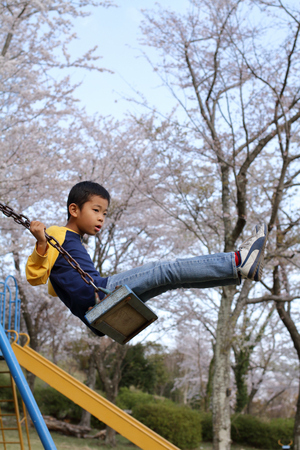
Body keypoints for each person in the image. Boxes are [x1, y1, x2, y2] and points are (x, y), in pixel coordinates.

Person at [26, 181, 268, 337]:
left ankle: (238, 271)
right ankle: (236, 262)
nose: (101, 218)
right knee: (164, 270)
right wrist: (41, 242)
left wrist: (62, 282)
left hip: (97, 307)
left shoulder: (72, 243)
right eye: (96, 210)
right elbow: (35, 277)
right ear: (74, 210)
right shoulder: (57, 234)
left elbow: (55, 287)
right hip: (101, 294)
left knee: (171, 281)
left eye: (105, 213)